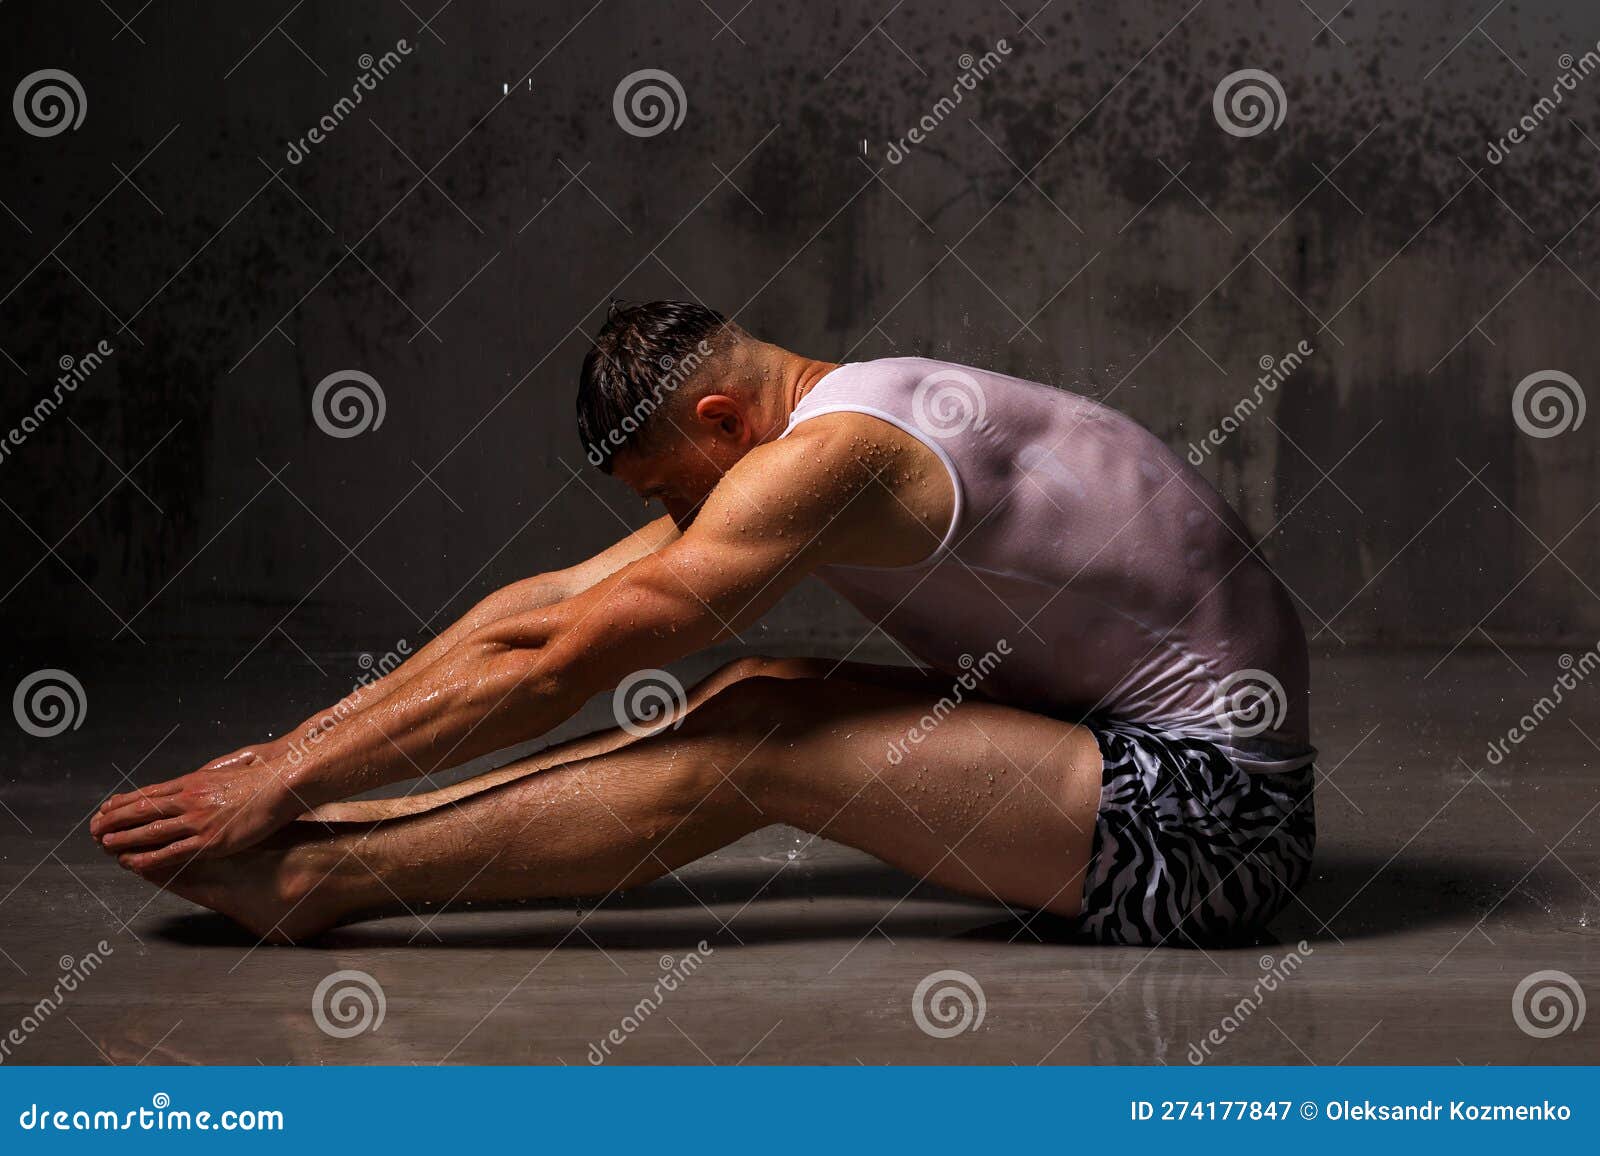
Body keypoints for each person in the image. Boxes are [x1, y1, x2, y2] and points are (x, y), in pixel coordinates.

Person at [90, 300, 1315, 947]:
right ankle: (346, 830)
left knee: (756, 744)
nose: (681, 518)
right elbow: (548, 603)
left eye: (676, 491)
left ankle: (319, 879)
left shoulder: (833, 460)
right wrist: (294, 757)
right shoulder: (857, 408)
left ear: (724, 420)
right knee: (753, 685)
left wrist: (287, 788)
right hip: (1135, 759)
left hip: (1210, 834)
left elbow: (566, 664)